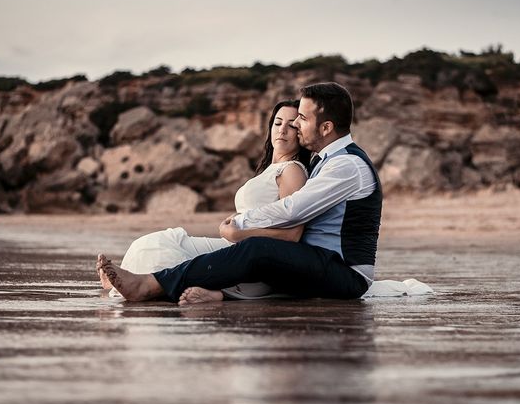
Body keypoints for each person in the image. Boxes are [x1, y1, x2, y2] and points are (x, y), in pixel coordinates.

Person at [97, 82, 384, 303]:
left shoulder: (347, 165)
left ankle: (150, 285)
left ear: (326, 127)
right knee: (253, 252)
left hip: (345, 273)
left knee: (255, 249)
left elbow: (293, 209)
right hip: (319, 262)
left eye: (303, 119)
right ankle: (167, 284)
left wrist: (241, 223)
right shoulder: (329, 161)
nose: (295, 125)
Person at [101, 99, 311, 301]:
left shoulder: (292, 170)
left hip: (248, 258)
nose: (282, 130)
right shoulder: (271, 169)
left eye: (291, 126)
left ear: (301, 134)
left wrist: (239, 233)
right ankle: (124, 282)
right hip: (233, 247)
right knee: (156, 243)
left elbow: (292, 235)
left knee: (159, 245)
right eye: (277, 122)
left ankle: (148, 285)